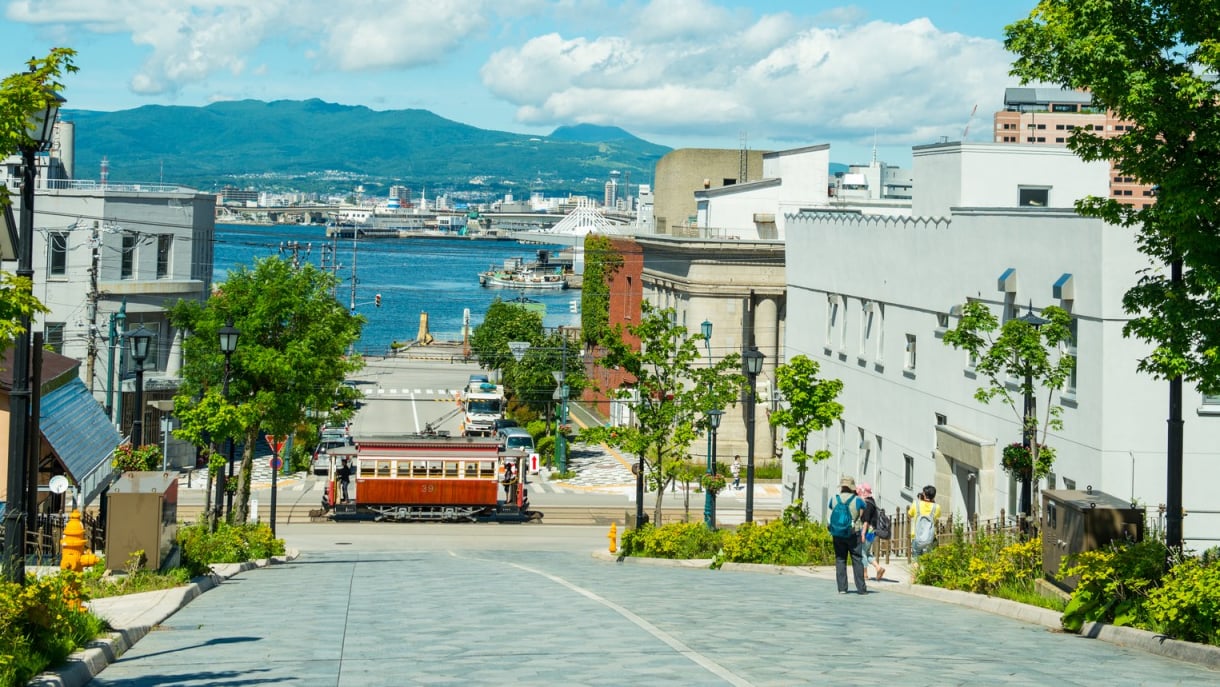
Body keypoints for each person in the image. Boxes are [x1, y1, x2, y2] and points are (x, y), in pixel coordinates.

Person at [828, 476, 867, 594]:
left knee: (840, 559)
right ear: (852, 488)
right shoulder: (858, 500)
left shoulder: (834, 498)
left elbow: (831, 507)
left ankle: (842, 588)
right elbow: (863, 510)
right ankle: (861, 588)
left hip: (838, 533)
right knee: (857, 559)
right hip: (853, 533)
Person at [856, 482, 885, 582]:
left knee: (862, 552)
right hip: (872, 531)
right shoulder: (871, 501)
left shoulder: (867, 504)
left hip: (868, 531)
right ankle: (878, 568)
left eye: (859, 491)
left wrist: (863, 534)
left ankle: (865, 574)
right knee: (867, 552)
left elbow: (866, 521)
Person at [908, 485, 942, 559]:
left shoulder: (916, 504)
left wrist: (920, 500)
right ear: (934, 496)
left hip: (916, 537)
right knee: (931, 560)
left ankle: (916, 570)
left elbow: (909, 515)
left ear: (923, 494)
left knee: (916, 559)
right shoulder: (937, 507)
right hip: (931, 538)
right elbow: (938, 516)